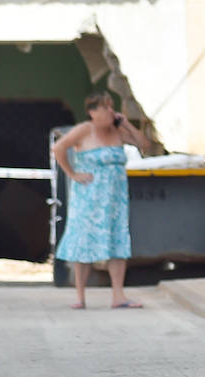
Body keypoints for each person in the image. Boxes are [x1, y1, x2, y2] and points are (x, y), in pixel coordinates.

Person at [51, 92, 149, 309]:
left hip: (115, 199)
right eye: (106, 108)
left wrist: (127, 125)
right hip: (89, 197)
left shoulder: (118, 131)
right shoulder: (84, 130)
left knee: (118, 242)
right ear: (93, 112)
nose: (111, 112)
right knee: (83, 242)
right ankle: (80, 296)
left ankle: (118, 295)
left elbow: (144, 144)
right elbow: (58, 148)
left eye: (112, 108)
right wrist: (72, 173)